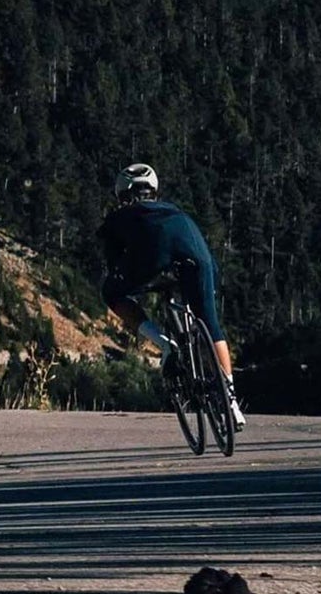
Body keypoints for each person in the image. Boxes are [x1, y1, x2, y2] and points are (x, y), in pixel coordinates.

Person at [97, 163, 243, 430]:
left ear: (122, 194)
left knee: (112, 293)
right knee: (211, 324)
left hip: (153, 256)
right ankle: (231, 400)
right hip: (195, 251)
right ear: (154, 190)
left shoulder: (121, 216)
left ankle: (165, 345)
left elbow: (114, 264)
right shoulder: (175, 210)